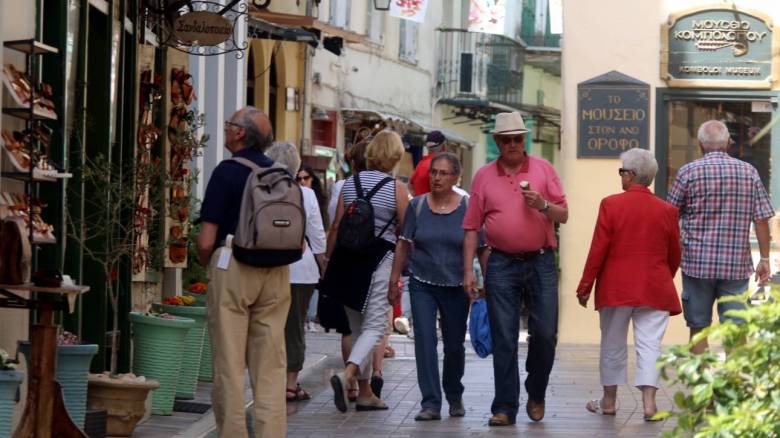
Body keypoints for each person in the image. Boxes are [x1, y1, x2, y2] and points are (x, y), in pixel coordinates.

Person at [462, 111, 568, 426]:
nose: (512, 144)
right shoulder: (483, 176)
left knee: (546, 333)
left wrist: (543, 205)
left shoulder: (544, 170)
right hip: (502, 262)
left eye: (517, 139)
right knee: (504, 336)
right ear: (497, 142)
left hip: (541, 260)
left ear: (525, 140)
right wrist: (468, 271)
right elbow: (471, 227)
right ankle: (505, 406)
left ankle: (536, 391)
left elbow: (564, 214)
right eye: (506, 139)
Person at [196, 107, 286, 438]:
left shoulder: (227, 172)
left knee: (230, 364)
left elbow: (206, 239)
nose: (225, 128)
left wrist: (207, 260)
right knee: (271, 366)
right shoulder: (280, 172)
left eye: (228, 124)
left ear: (238, 133)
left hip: (233, 264)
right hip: (277, 272)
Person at [576, 148, 681, 420]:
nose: (621, 176)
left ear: (631, 175)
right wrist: (661, 276)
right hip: (655, 286)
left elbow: (598, 248)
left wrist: (585, 285)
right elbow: (674, 254)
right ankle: (649, 404)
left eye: (622, 171)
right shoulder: (668, 210)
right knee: (650, 346)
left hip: (616, 287)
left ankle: (608, 401)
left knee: (612, 343)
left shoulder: (611, 204)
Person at [388, 152, 486, 421]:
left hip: (456, 285)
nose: (437, 178)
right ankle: (430, 402)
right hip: (422, 283)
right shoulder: (417, 206)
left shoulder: (468, 207)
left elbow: (482, 247)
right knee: (425, 340)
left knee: (454, 346)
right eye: (433, 172)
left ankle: (453, 394)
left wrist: (487, 284)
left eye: (444, 173)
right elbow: (404, 243)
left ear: (456, 177)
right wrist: (395, 278)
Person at [667, 120, 774, 354]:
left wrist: (676, 251)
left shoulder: (688, 172)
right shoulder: (749, 172)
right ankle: (732, 386)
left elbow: (669, 216)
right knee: (735, 329)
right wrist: (764, 258)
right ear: (728, 142)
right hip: (735, 266)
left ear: (700, 144)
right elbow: (762, 219)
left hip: (696, 264)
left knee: (698, 328)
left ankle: (700, 384)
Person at [324, 130, 410, 412]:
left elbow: (336, 226)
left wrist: (327, 262)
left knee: (357, 327)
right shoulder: (396, 188)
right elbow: (405, 235)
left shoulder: (349, 183)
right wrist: (397, 275)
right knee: (376, 326)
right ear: (395, 156)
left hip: (346, 260)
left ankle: (364, 395)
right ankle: (347, 374)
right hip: (379, 260)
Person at [265, 142, 327, 403]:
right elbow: (317, 237)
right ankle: (290, 385)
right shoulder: (306, 194)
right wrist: (324, 266)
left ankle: (268, 379)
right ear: (295, 167)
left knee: (268, 326)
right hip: (301, 270)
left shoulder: (261, 189)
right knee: (294, 327)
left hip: (266, 266)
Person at [409, 130, 447, 196]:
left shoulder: (420, 164)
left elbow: (410, 187)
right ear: (443, 147)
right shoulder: (439, 166)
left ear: (427, 147)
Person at [297, 163, 329, 228]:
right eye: (299, 179)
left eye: (306, 178)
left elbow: (325, 225)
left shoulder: (321, 198)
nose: (302, 181)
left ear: (312, 178)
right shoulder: (292, 197)